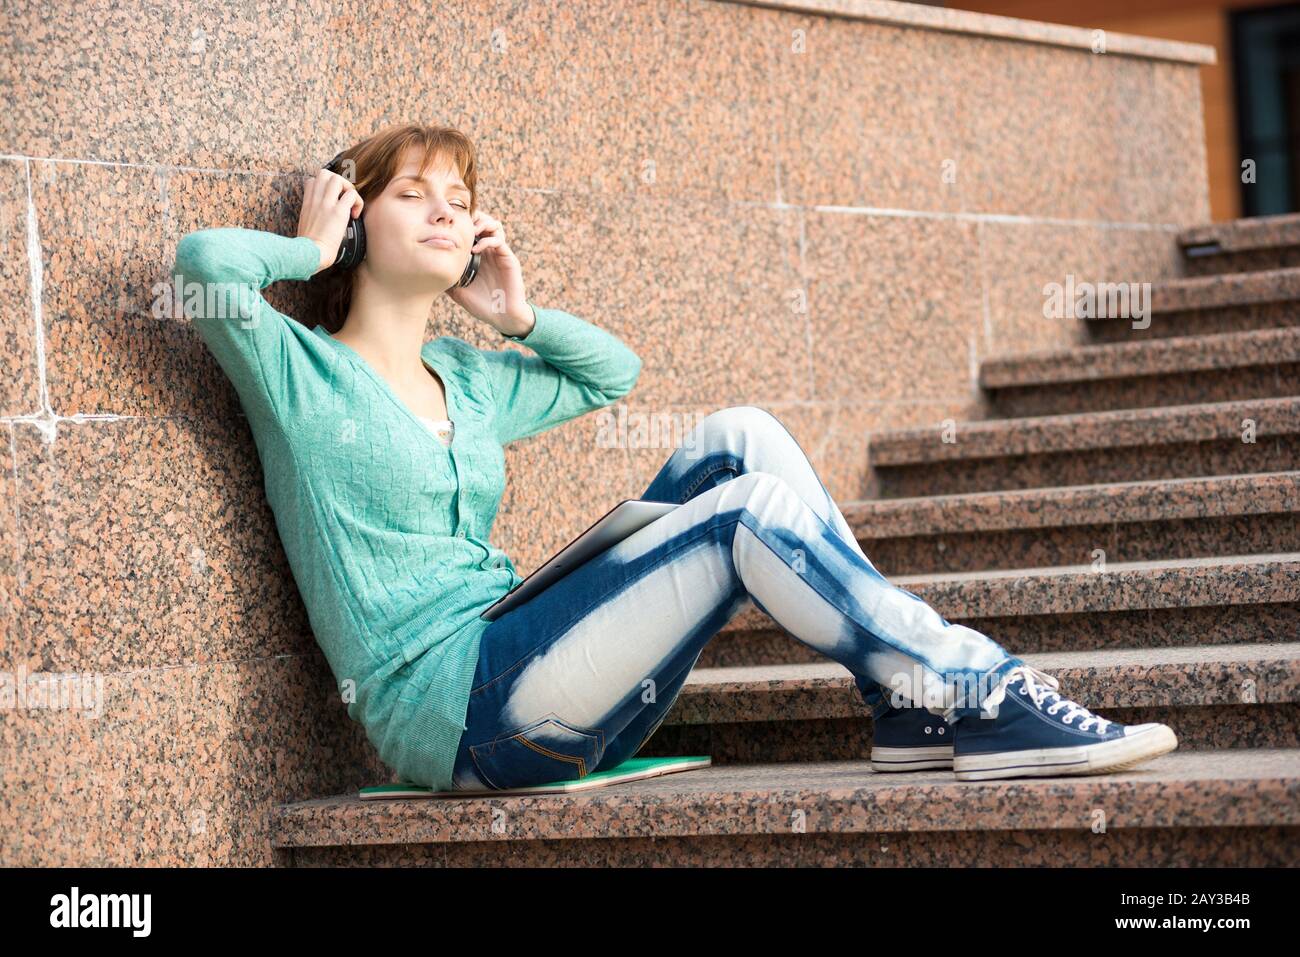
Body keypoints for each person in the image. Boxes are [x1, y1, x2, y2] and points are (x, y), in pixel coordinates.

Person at [171, 123, 1177, 792]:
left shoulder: (465, 379)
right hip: (460, 716)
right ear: (356, 219)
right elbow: (204, 268)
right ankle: (974, 692)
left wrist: (515, 315)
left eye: (461, 196)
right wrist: (309, 250)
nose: (450, 212)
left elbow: (611, 373)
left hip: (536, 657)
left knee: (736, 436)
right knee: (743, 519)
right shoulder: (298, 372)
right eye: (411, 194)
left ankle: (902, 705)